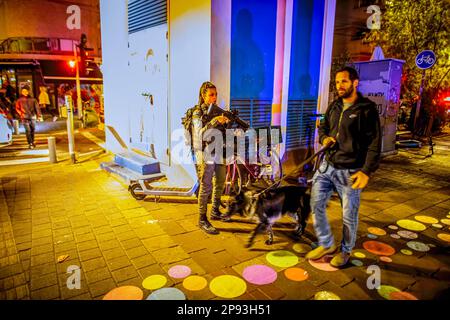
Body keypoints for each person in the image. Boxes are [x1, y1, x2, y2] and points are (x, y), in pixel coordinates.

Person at [306, 66, 381, 267]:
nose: (339, 85)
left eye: (344, 81)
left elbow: (375, 142)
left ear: (355, 83)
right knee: (316, 204)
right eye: (337, 82)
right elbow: (323, 127)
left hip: (350, 170)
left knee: (349, 214)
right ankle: (326, 243)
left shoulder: (367, 109)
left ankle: (346, 251)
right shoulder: (334, 105)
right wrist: (324, 138)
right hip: (327, 166)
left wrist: (366, 171)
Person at [192, 81, 231, 235]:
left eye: (216, 94)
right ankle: (202, 219)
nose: (214, 98)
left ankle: (215, 210)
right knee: (206, 185)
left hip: (219, 150)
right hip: (205, 152)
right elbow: (199, 134)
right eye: (211, 95)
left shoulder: (217, 111)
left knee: (220, 180)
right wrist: (215, 121)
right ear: (203, 96)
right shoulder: (197, 113)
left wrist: (226, 122)